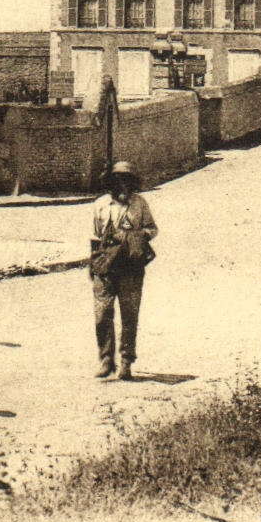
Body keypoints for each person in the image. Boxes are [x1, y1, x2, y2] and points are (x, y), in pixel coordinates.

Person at [89, 160, 158, 380]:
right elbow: (94, 237)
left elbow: (152, 228)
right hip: (106, 266)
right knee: (102, 315)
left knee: (129, 314)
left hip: (131, 266)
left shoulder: (139, 204)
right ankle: (106, 360)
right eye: (117, 180)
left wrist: (136, 237)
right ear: (110, 182)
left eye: (125, 180)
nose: (121, 184)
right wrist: (94, 265)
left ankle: (126, 361)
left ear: (131, 183)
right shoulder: (100, 205)